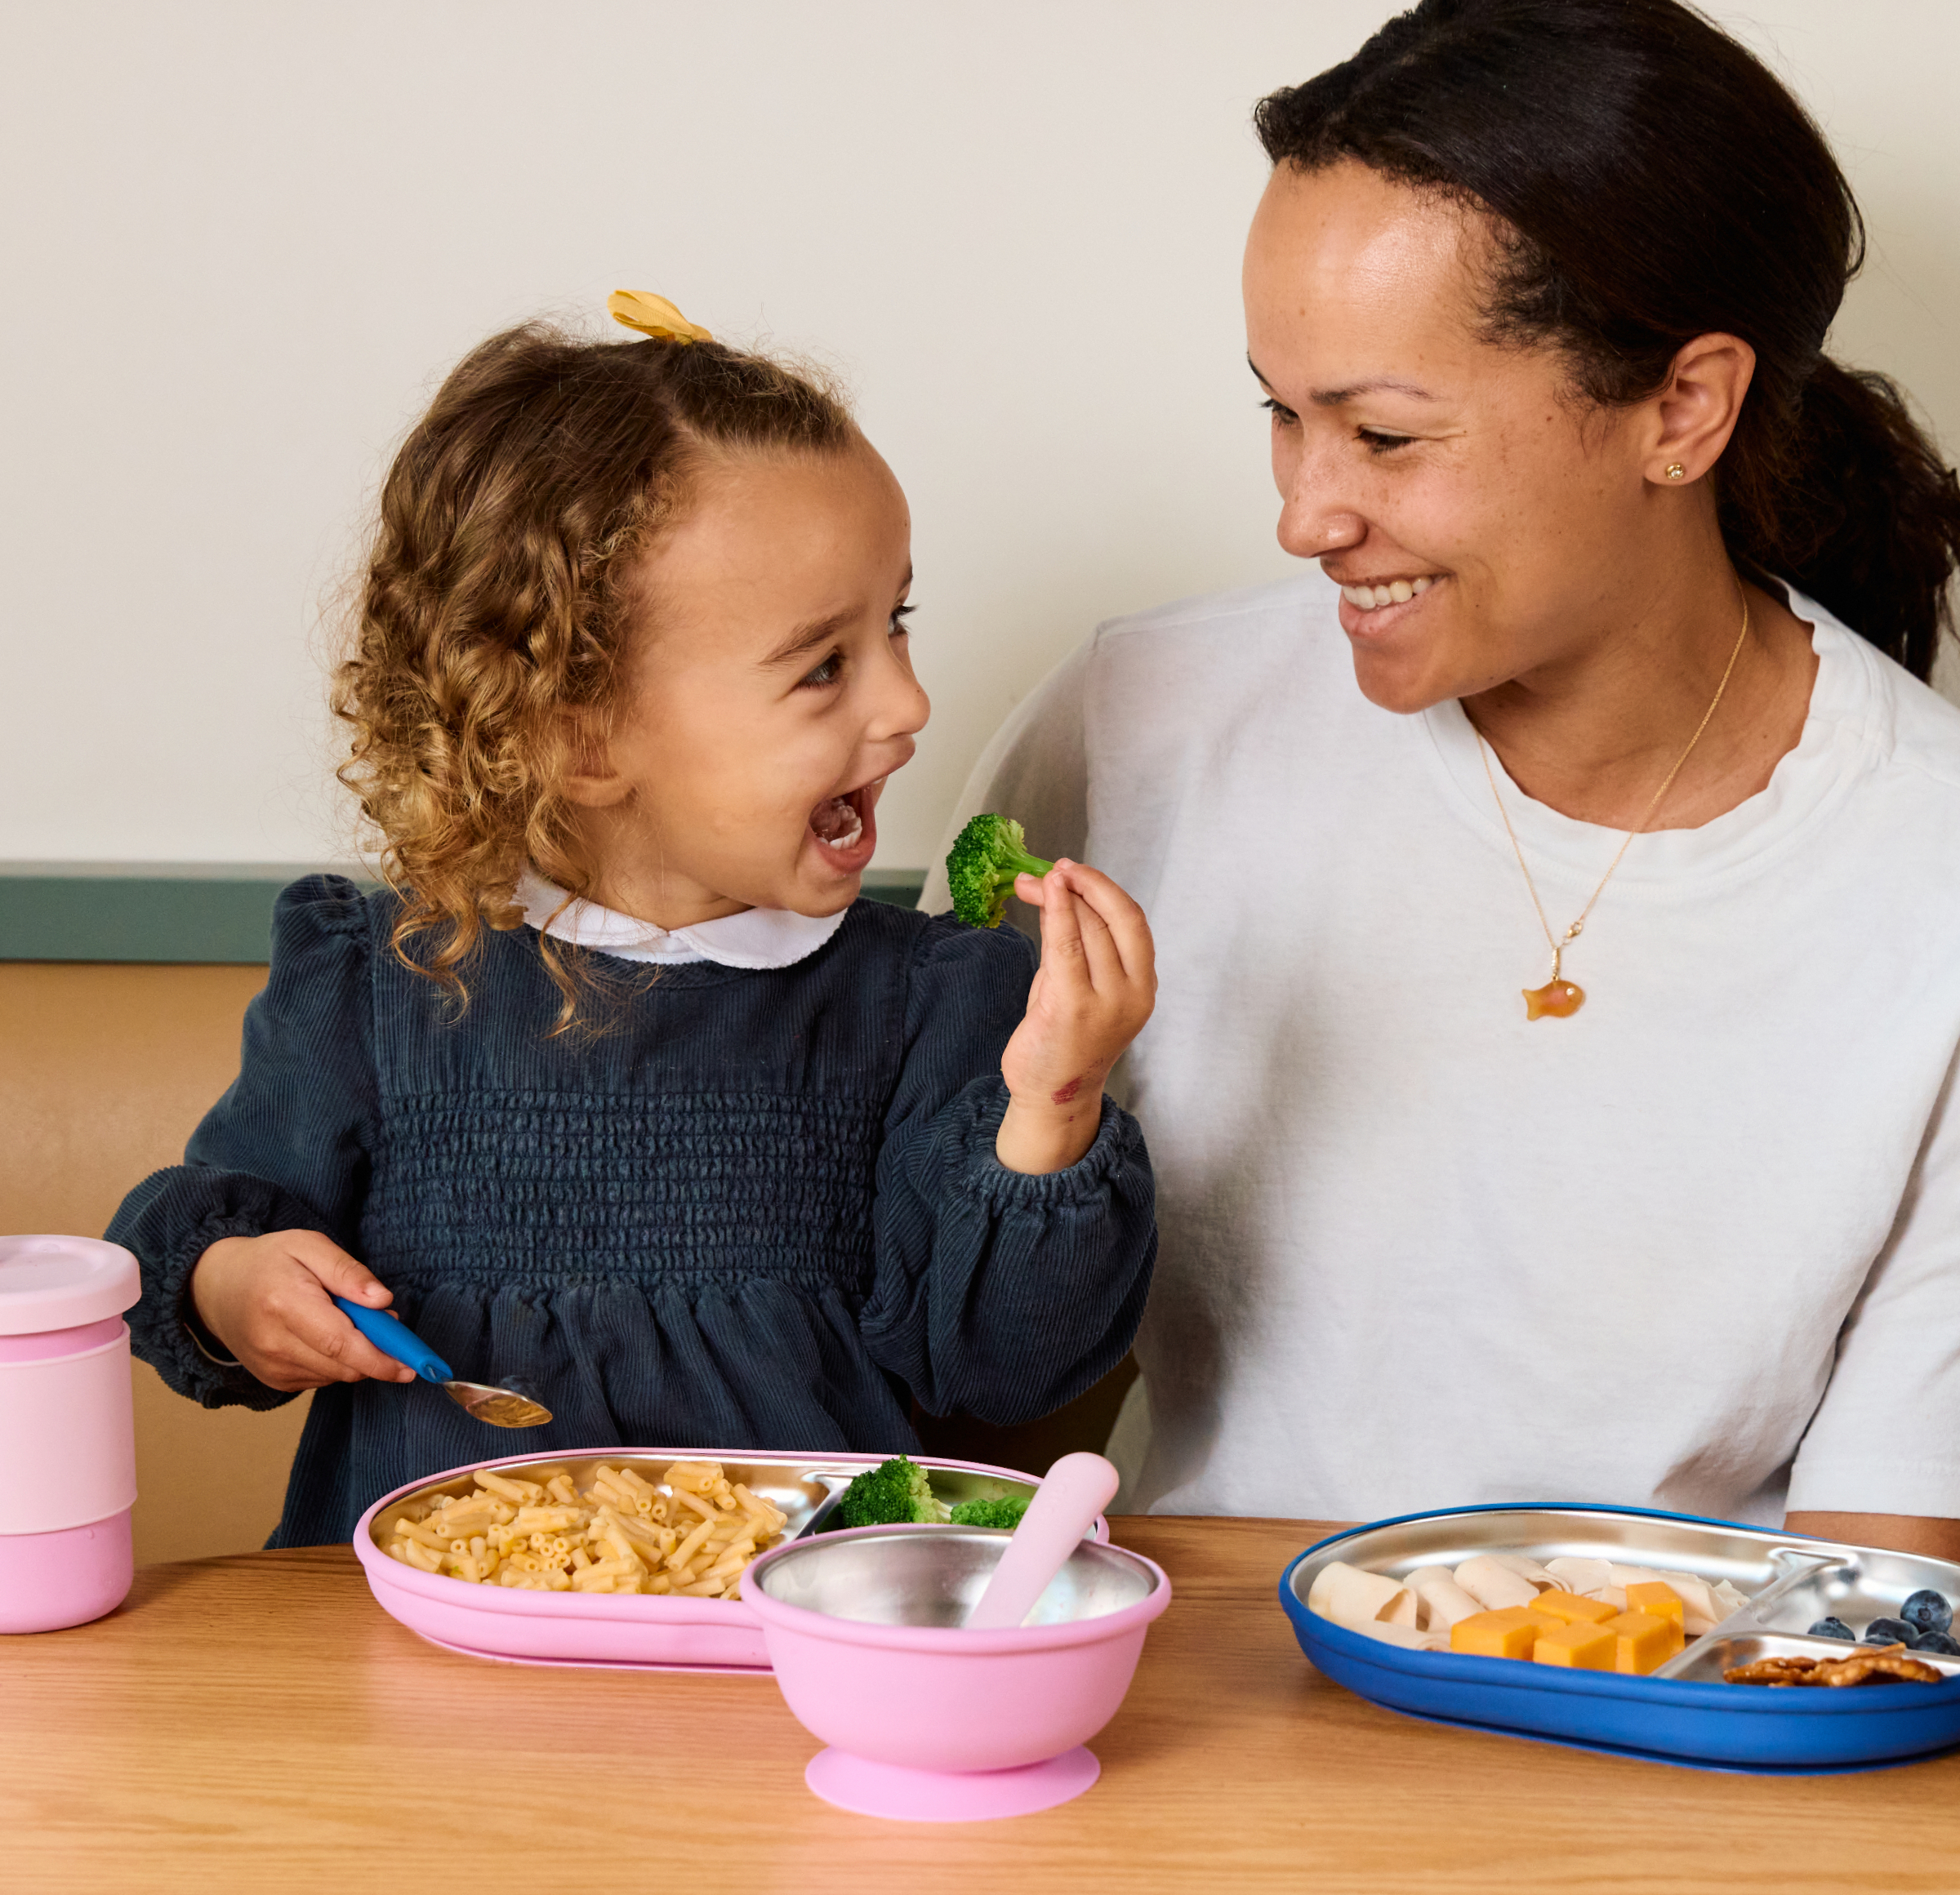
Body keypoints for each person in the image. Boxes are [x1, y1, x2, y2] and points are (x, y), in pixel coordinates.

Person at [927, 0, 1960, 1554]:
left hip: (1683, 1735)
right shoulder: (1136, 723)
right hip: (1186, 1720)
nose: (1306, 513)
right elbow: (964, 1398)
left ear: (1683, 408)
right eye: (1282, 414)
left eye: (1387, 436)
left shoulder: (1926, 866)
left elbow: (1882, 1605)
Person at [110, 292, 1157, 1548]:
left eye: (899, 624)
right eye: (825, 665)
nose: (910, 703)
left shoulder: (934, 1003)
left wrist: (1055, 1105)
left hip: (784, 1655)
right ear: (581, 736)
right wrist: (237, 1286)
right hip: (416, 1663)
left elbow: (998, 1370)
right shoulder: (376, 980)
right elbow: (203, 1228)